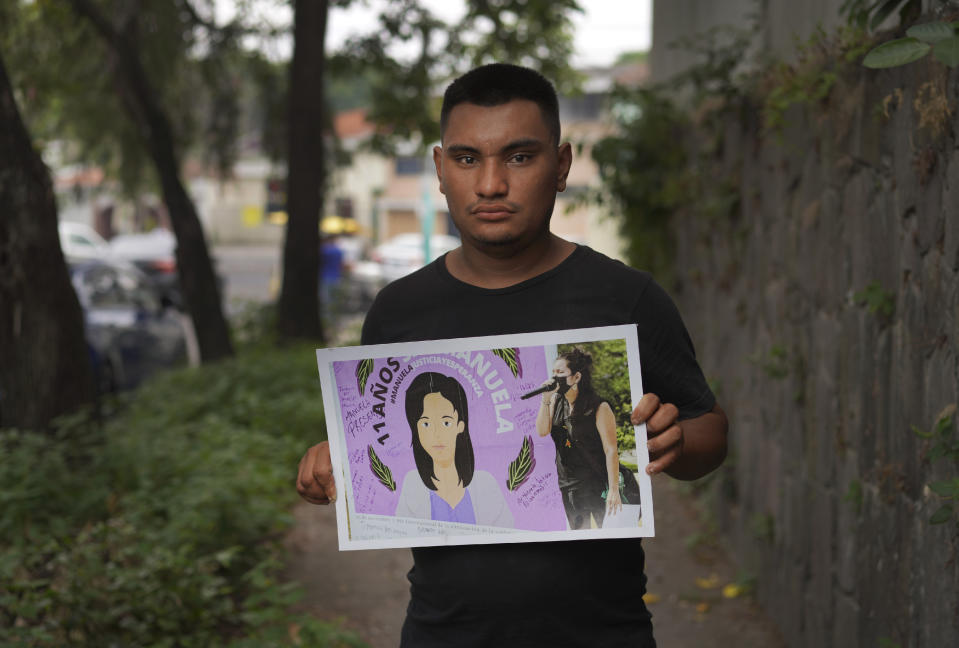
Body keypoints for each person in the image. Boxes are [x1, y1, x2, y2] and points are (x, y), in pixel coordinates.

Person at [297, 63, 728, 648]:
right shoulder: (398, 312)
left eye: (520, 157)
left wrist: (676, 443)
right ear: (440, 169)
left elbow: (709, 432)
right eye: (468, 158)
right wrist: (335, 464)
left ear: (562, 166)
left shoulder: (628, 297)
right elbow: (382, 457)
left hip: (603, 633)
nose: (491, 184)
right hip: (442, 633)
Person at [395, 371, 514, 527]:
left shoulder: (486, 483)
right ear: (416, 430)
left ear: (460, 425)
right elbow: (403, 531)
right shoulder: (412, 484)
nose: (437, 434)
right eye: (426, 424)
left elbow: (507, 530)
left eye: (446, 423)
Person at [535, 348, 621, 529]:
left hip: (596, 483)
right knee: (581, 538)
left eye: (560, 372)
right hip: (568, 484)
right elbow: (542, 431)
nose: (554, 377)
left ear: (576, 377)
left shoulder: (599, 406)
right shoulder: (556, 401)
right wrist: (545, 399)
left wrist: (614, 489)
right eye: (553, 373)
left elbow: (611, 449)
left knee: (607, 536)